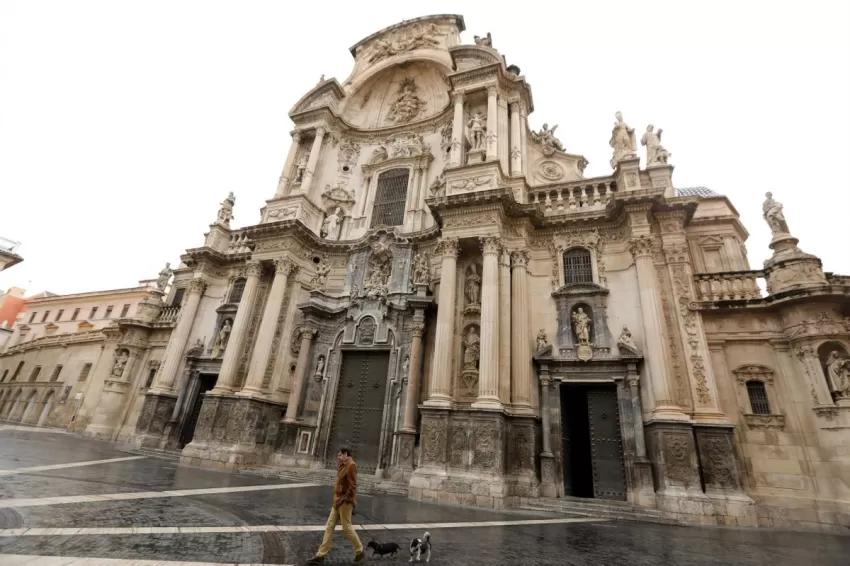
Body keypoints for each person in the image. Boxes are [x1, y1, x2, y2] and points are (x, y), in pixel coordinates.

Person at [307, 447, 364, 564]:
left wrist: (344, 499)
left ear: (345, 454)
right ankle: (321, 554)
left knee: (346, 527)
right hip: (337, 501)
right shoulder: (343, 465)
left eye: (340, 455)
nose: (338, 457)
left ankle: (360, 550)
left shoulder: (351, 465)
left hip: (345, 502)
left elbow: (353, 486)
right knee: (329, 526)